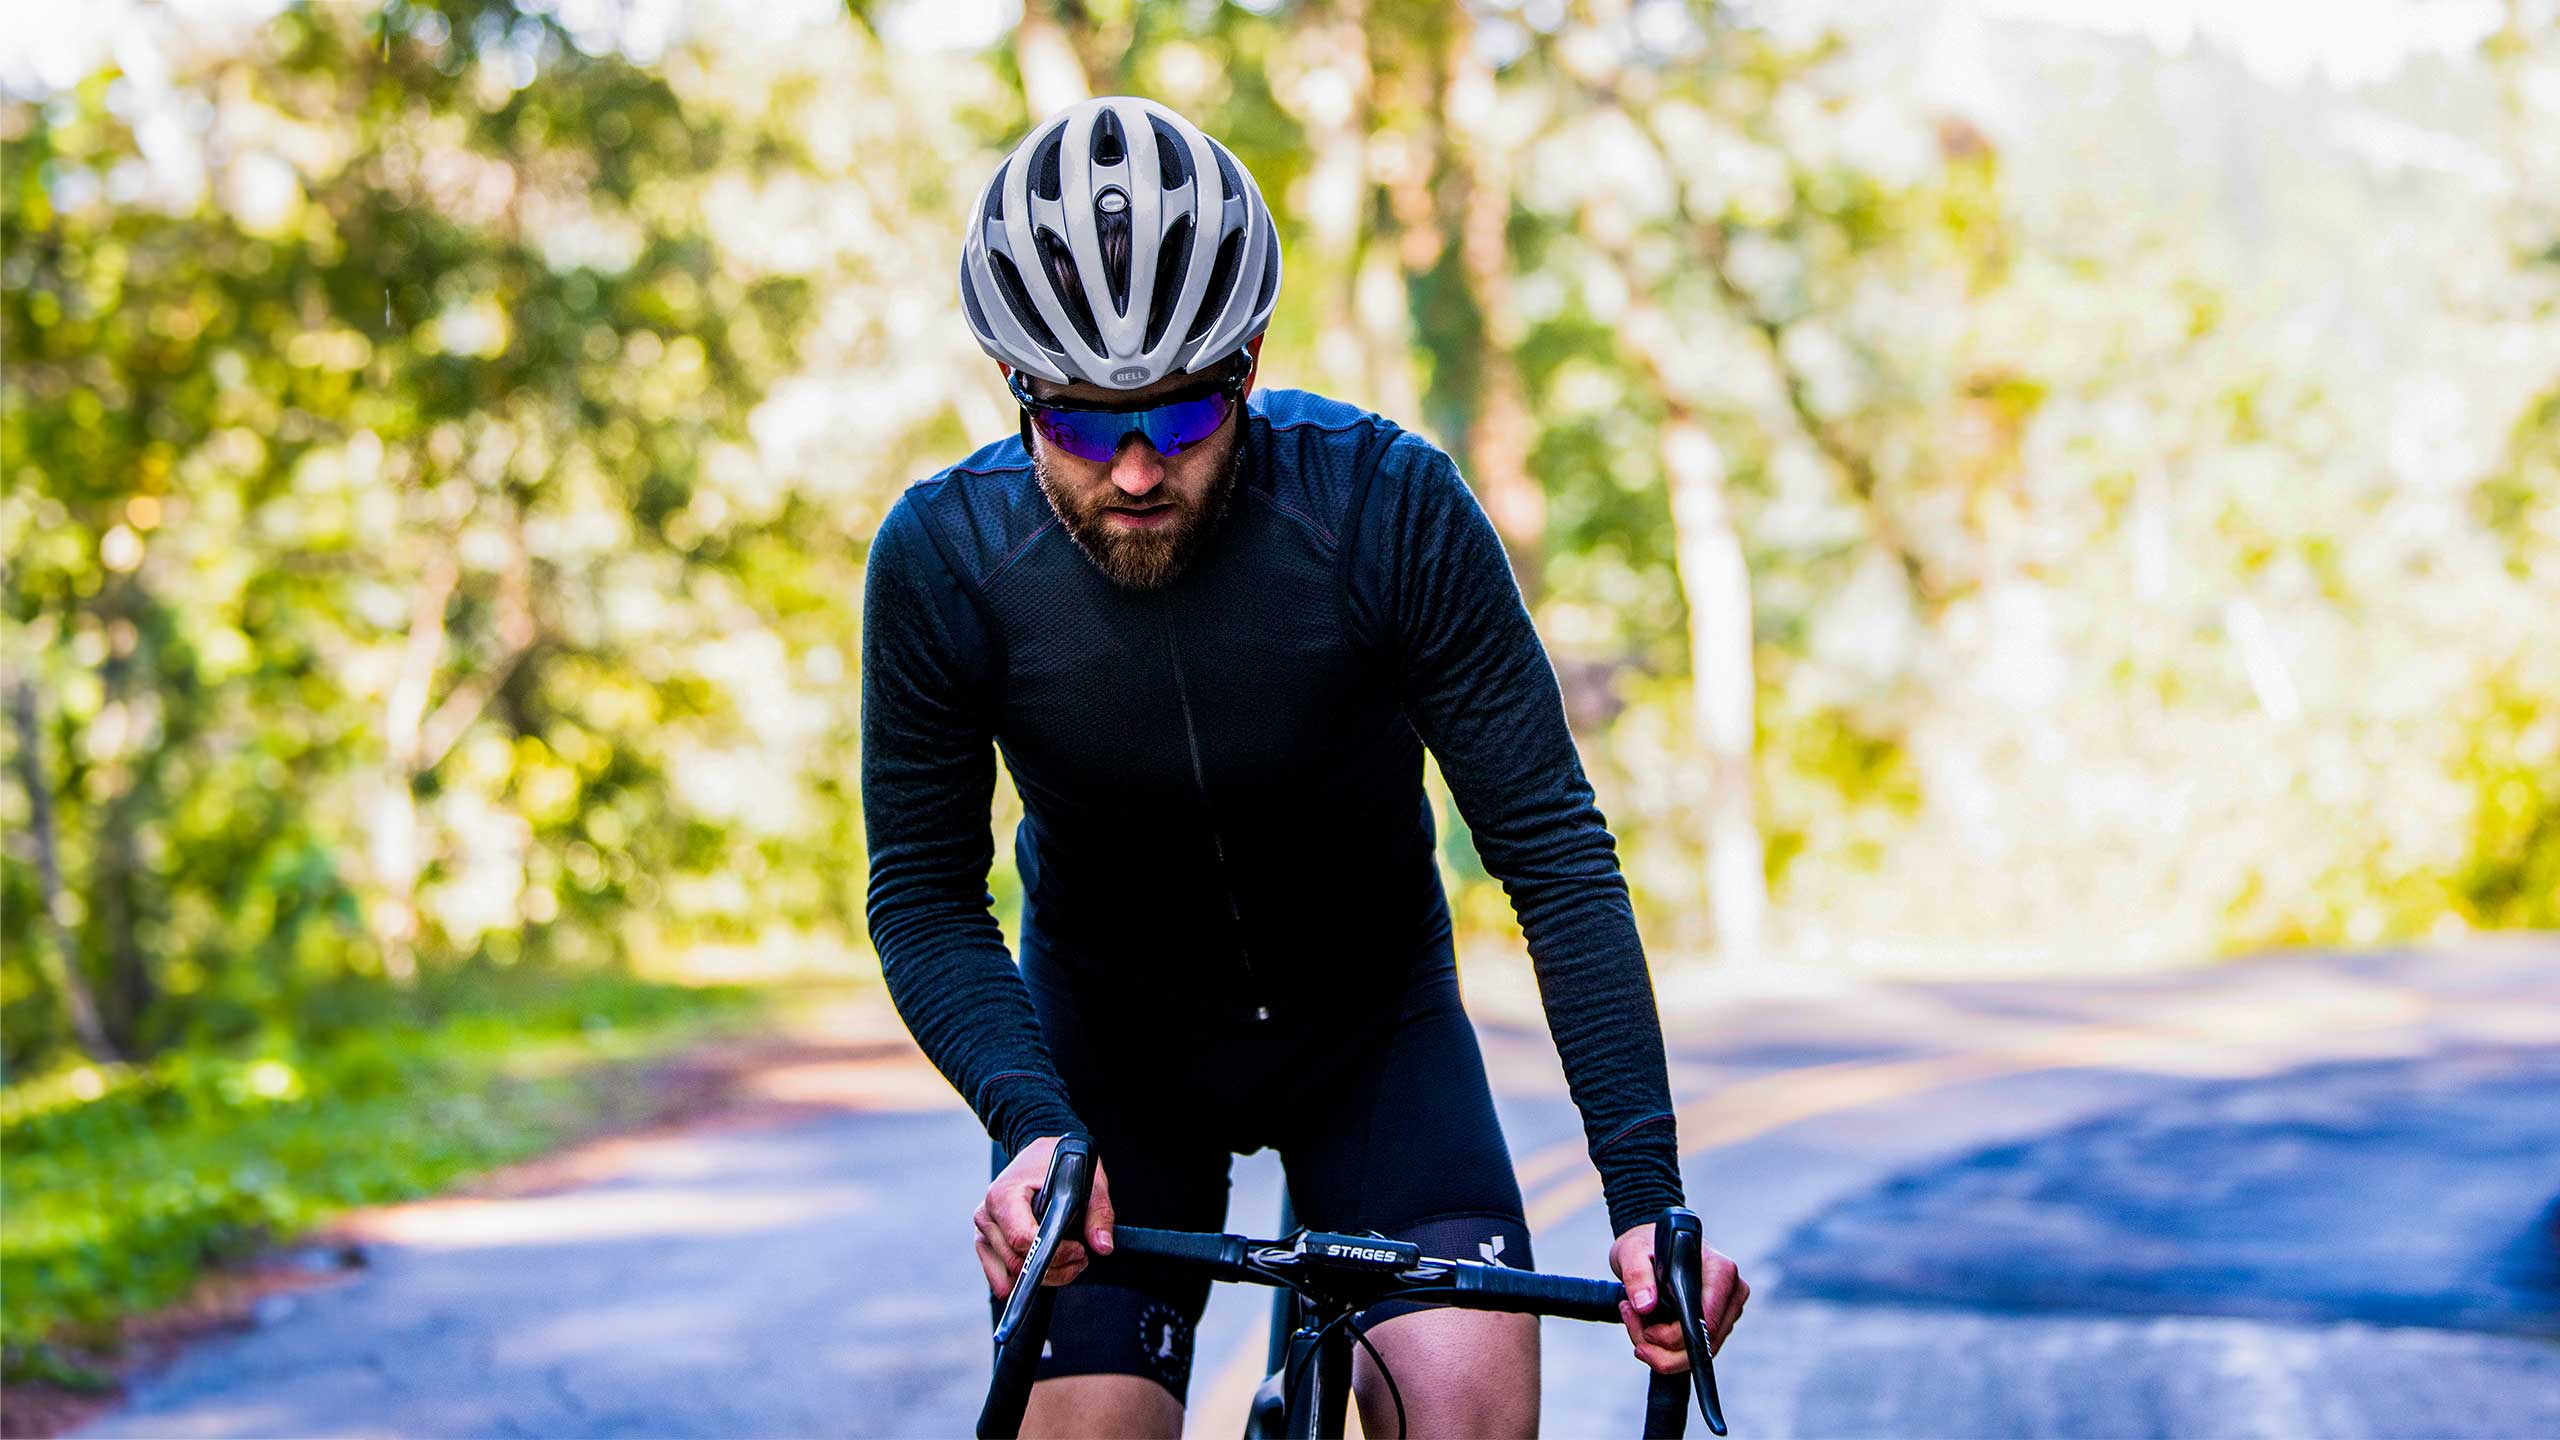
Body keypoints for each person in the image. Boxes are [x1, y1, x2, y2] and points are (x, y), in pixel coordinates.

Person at [863, 95, 1746, 1438]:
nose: (1143, 470)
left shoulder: (1387, 508)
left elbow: (1555, 858)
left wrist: (1646, 1203)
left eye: (1187, 412)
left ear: (1254, 360)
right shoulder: (942, 562)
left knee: (1468, 1414)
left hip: (1373, 1037)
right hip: (1109, 1062)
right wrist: (1034, 1126)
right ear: (1016, 389)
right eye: (1092, 428)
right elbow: (924, 896)